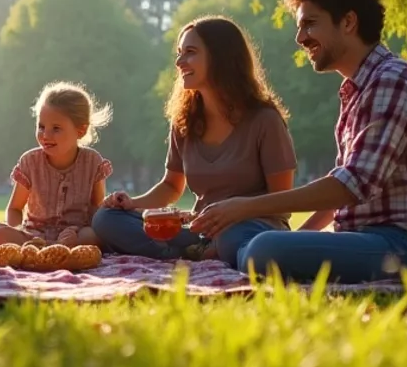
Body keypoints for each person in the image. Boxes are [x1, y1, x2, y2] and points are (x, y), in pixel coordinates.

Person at [191, 0, 407, 283]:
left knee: (263, 247)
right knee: (239, 236)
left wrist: (246, 207)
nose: (300, 38)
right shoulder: (360, 88)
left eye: (310, 24)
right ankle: (246, 254)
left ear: (348, 22)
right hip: (370, 238)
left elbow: (350, 186)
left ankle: (248, 256)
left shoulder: (393, 81)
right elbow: (341, 190)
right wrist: (295, 239)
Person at [92, 16, 297, 267]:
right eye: (179, 53)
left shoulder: (265, 120)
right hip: (200, 231)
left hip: (251, 229)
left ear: (220, 57)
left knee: (232, 237)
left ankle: (190, 251)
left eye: (190, 52)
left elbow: (282, 202)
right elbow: (171, 186)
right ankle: (193, 252)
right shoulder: (184, 121)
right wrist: (133, 204)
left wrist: (236, 212)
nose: (179, 62)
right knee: (106, 218)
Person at [0, 82, 114, 248]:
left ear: (80, 131)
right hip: (34, 236)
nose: (45, 135)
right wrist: (17, 230)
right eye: (41, 127)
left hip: (73, 235)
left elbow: (97, 209)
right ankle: (44, 248)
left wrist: (78, 232)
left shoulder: (93, 162)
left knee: (93, 235)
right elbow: (14, 209)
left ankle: (60, 247)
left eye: (56, 128)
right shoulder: (30, 162)